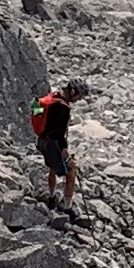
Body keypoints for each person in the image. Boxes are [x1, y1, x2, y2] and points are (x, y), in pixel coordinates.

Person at [30, 79, 90, 208]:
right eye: (79, 95)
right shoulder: (62, 108)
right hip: (51, 144)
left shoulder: (54, 97)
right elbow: (58, 134)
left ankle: (51, 196)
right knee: (71, 171)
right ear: (73, 91)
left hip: (41, 140)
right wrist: (66, 152)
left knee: (53, 166)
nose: (79, 99)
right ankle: (68, 208)